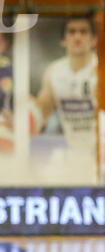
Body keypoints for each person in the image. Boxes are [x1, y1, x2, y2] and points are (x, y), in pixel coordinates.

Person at [34, 17, 97, 151]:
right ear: (63, 40)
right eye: (72, 32)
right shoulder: (54, 71)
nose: (77, 37)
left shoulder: (101, 69)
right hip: (72, 149)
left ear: (94, 39)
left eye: (84, 32)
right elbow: (42, 111)